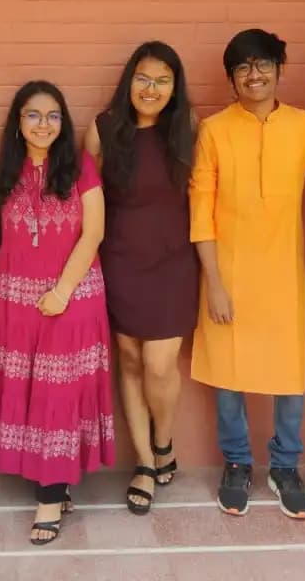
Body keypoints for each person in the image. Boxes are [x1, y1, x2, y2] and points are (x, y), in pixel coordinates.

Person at [190, 28, 305, 520]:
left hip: (284, 273)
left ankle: (285, 465)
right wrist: (214, 282)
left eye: (263, 64)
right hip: (227, 274)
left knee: (288, 374)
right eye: (243, 67)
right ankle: (237, 462)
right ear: (231, 77)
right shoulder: (213, 130)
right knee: (229, 375)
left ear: (279, 71)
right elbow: (200, 210)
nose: (254, 74)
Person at [0, 81, 115, 545]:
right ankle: (55, 482)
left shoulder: (81, 166)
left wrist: (61, 291)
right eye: (33, 115)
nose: (43, 124)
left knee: (58, 395)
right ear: (18, 121)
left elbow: (93, 233)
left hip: (72, 299)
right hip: (17, 304)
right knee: (32, 394)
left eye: (53, 115)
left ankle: (50, 496)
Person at [84, 41, 198, 515]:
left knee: (159, 364)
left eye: (162, 81)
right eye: (143, 79)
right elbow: (87, 199)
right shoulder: (103, 128)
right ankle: (146, 463)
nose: (151, 89)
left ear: (175, 88)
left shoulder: (189, 129)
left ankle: (165, 440)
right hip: (120, 260)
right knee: (129, 360)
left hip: (173, 264)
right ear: (129, 80)